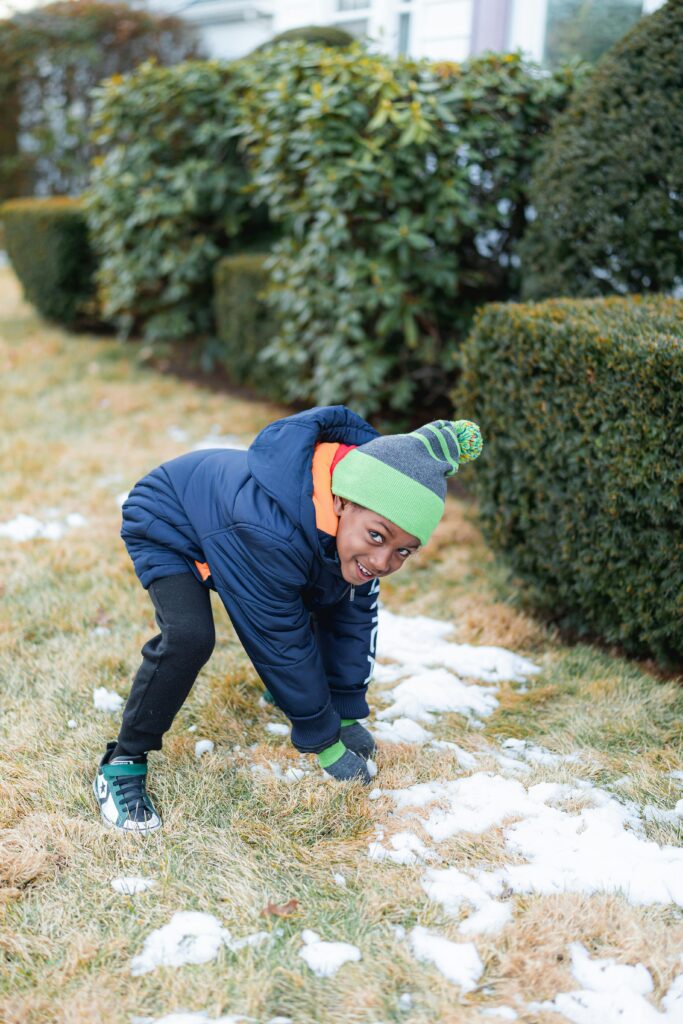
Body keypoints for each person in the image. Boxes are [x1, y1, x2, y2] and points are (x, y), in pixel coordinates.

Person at [93, 405, 482, 832]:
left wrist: (346, 711)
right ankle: (123, 760)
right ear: (341, 501)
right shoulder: (268, 534)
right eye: (377, 537)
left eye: (403, 551)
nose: (384, 561)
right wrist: (324, 740)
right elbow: (278, 639)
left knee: (331, 594)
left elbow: (354, 621)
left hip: (239, 528)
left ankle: (300, 698)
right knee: (190, 637)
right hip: (169, 521)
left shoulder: (359, 532)